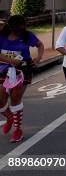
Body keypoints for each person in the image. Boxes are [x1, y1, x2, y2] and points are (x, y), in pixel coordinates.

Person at [0, 15, 44, 143]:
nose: (20, 32)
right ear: (10, 27)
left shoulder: (27, 35)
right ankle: (10, 118)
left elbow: (40, 45)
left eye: (22, 28)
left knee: (15, 98)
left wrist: (38, 58)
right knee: (1, 101)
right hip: (3, 69)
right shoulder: (2, 35)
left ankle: (17, 130)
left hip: (23, 69)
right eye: (17, 30)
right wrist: (10, 60)